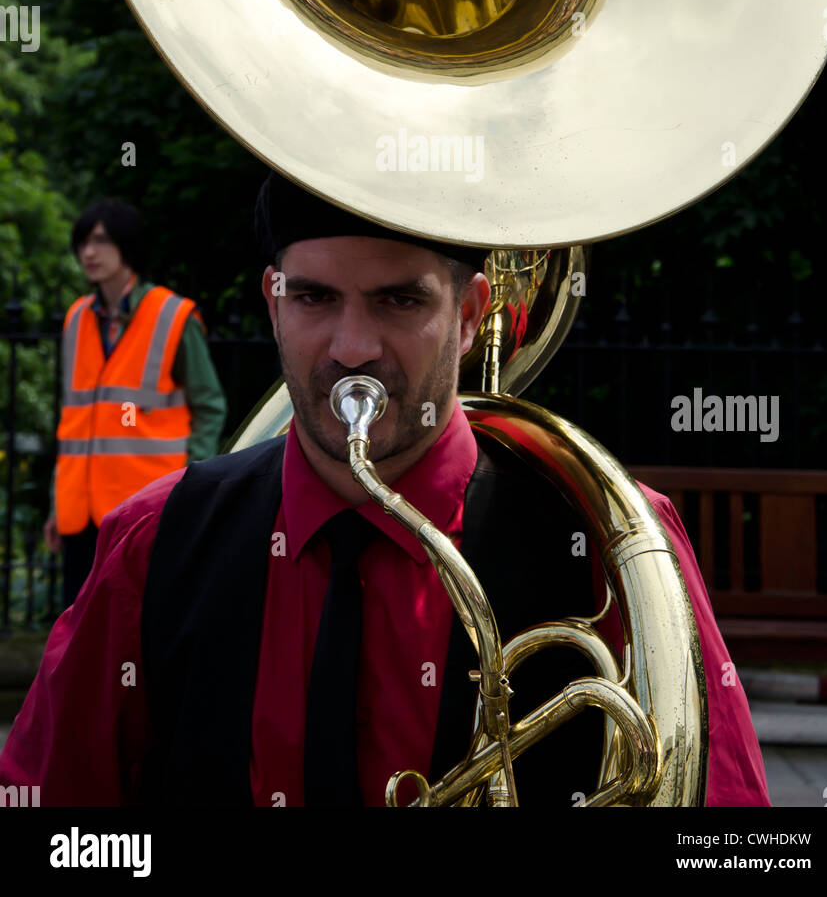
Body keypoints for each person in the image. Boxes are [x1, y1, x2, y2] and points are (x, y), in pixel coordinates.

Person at [1, 176, 770, 807]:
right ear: (273, 303)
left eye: (400, 301)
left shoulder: (612, 540)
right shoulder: (154, 539)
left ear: (468, 315)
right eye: (314, 299)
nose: (352, 349)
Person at [42, 197, 227, 609]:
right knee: (81, 629)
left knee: (141, 624)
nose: (88, 252)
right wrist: (58, 503)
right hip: (80, 511)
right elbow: (73, 420)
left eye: (101, 241)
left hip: (147, 509)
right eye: (83, 243)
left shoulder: (173, 315)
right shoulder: (76, 318)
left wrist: (190, 488)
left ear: (128, 245)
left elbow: (209, 405)